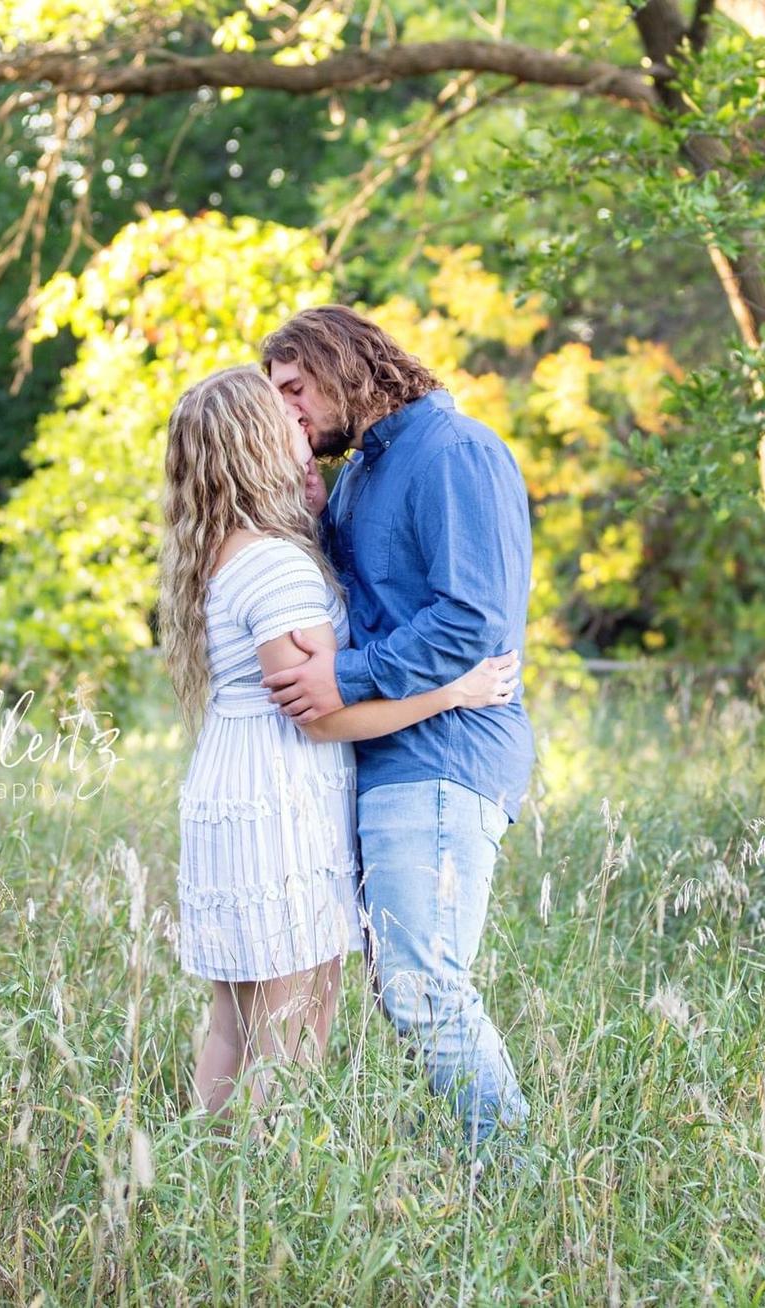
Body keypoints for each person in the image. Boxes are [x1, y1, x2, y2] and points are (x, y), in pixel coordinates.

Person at [156, 365, 518, 1131]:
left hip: (237, 783)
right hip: (280, 798)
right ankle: (266, 1192)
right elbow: (319, 717)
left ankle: (206, 1179)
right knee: (292, 1029)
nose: (302, 420)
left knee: (236, 1024)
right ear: (258, 442)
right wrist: (453, 691)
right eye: (283, 413)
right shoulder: (278, 566)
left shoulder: (230, 550)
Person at [257, 306, 537, 1155]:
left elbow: (471, 620)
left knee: (423, 989)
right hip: (385, 754)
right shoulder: (357, 477)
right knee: (403, 988)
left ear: (344, 364)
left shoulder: (454, 452)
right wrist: (315, 515)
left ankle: (516, 1172)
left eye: (295, 388)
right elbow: (367, 603)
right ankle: (484, 1167)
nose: (287, 411)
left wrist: (342, 678)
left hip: (446, 754)